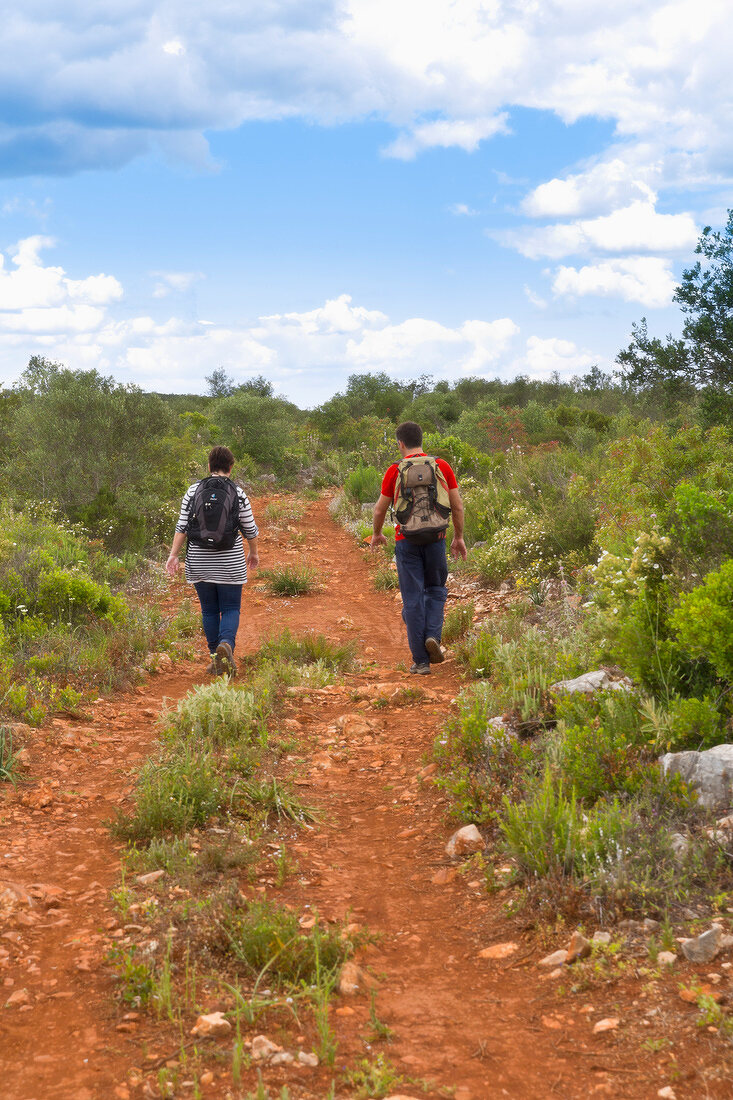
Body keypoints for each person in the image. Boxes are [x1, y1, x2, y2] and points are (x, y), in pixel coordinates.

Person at [371, 421, 467, 674]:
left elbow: (380, 508)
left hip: (406, 541)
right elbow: (457, 506)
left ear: (400, 443)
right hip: (436, 539)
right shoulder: (441, 466)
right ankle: (433, 635)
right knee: (436, 589)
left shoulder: (394, 470)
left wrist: (377, 534)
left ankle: (421, 662)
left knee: (412, 600)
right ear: (421, 440)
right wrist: (458, 538)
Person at [165, 445, 259, 677]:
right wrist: (253, 552)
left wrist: (173, 555)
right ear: (231, 467)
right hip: (230, 560)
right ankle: (226, 644)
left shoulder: (193, 490)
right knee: (230, 608)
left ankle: (216, 659)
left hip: (198, 559)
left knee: (208, 611)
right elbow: (250, 528)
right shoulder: (237, 492)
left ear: (209, 466)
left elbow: (182, 526)